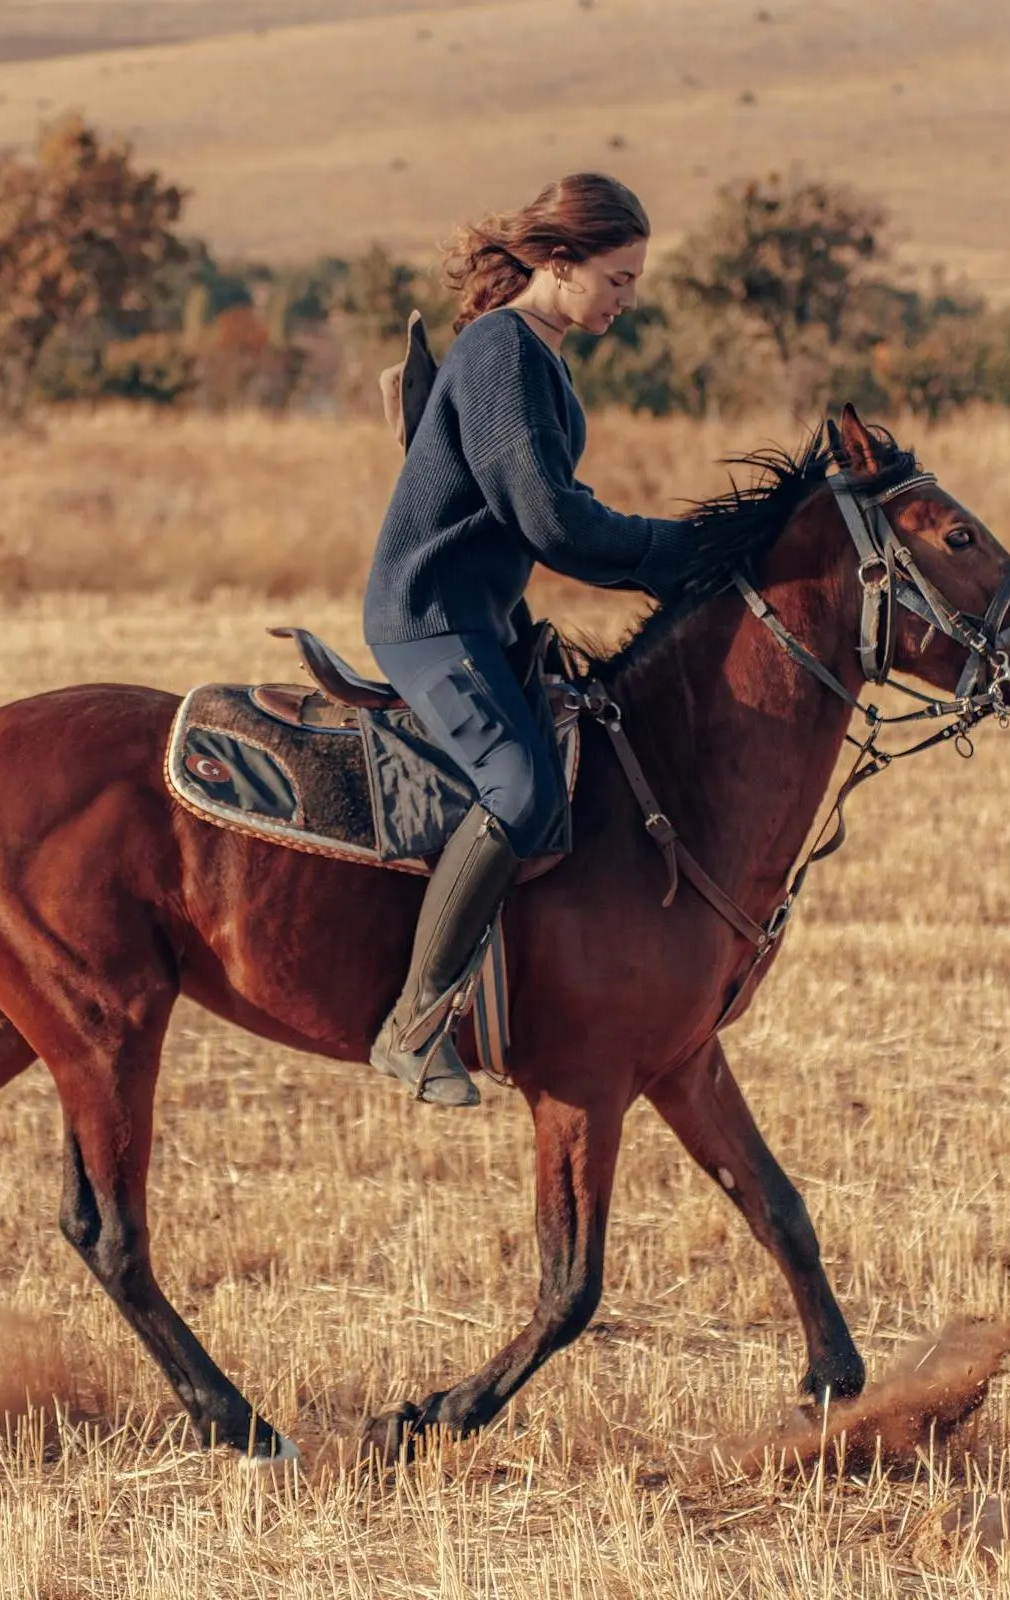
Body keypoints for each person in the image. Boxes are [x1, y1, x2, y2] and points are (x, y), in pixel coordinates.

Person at [364, 173, 701, 1106]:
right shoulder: (504, 354)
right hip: (430, 617)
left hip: (483, 615)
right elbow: (553, 522)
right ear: (558, 264)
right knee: (517, 791)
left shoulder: (530, 353)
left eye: (633, 281)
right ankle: (415, 1022)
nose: (628, 300)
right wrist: (681, 552)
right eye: (617, 279)